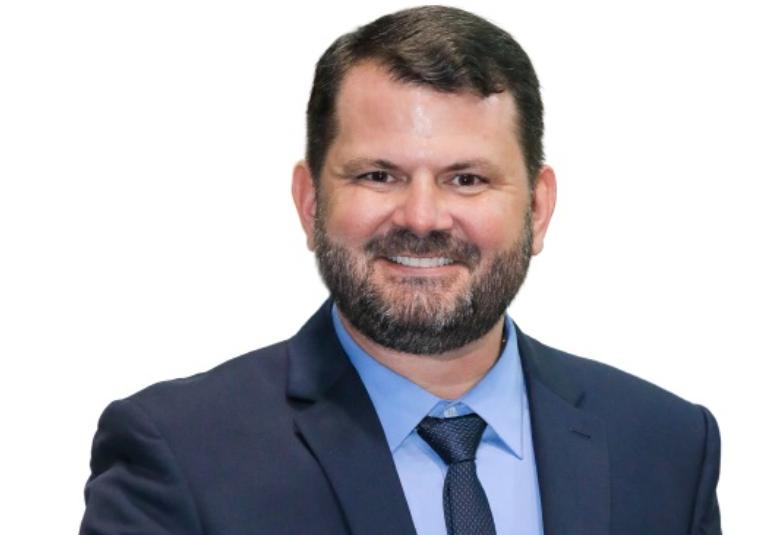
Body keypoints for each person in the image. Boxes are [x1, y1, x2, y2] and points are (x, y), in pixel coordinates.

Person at [80, 6, 721, 535]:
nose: (422, 217)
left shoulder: (666, 445)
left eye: (466, 179)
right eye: (378, 175)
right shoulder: (181, 453)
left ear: (538, 207)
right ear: (310, 202)